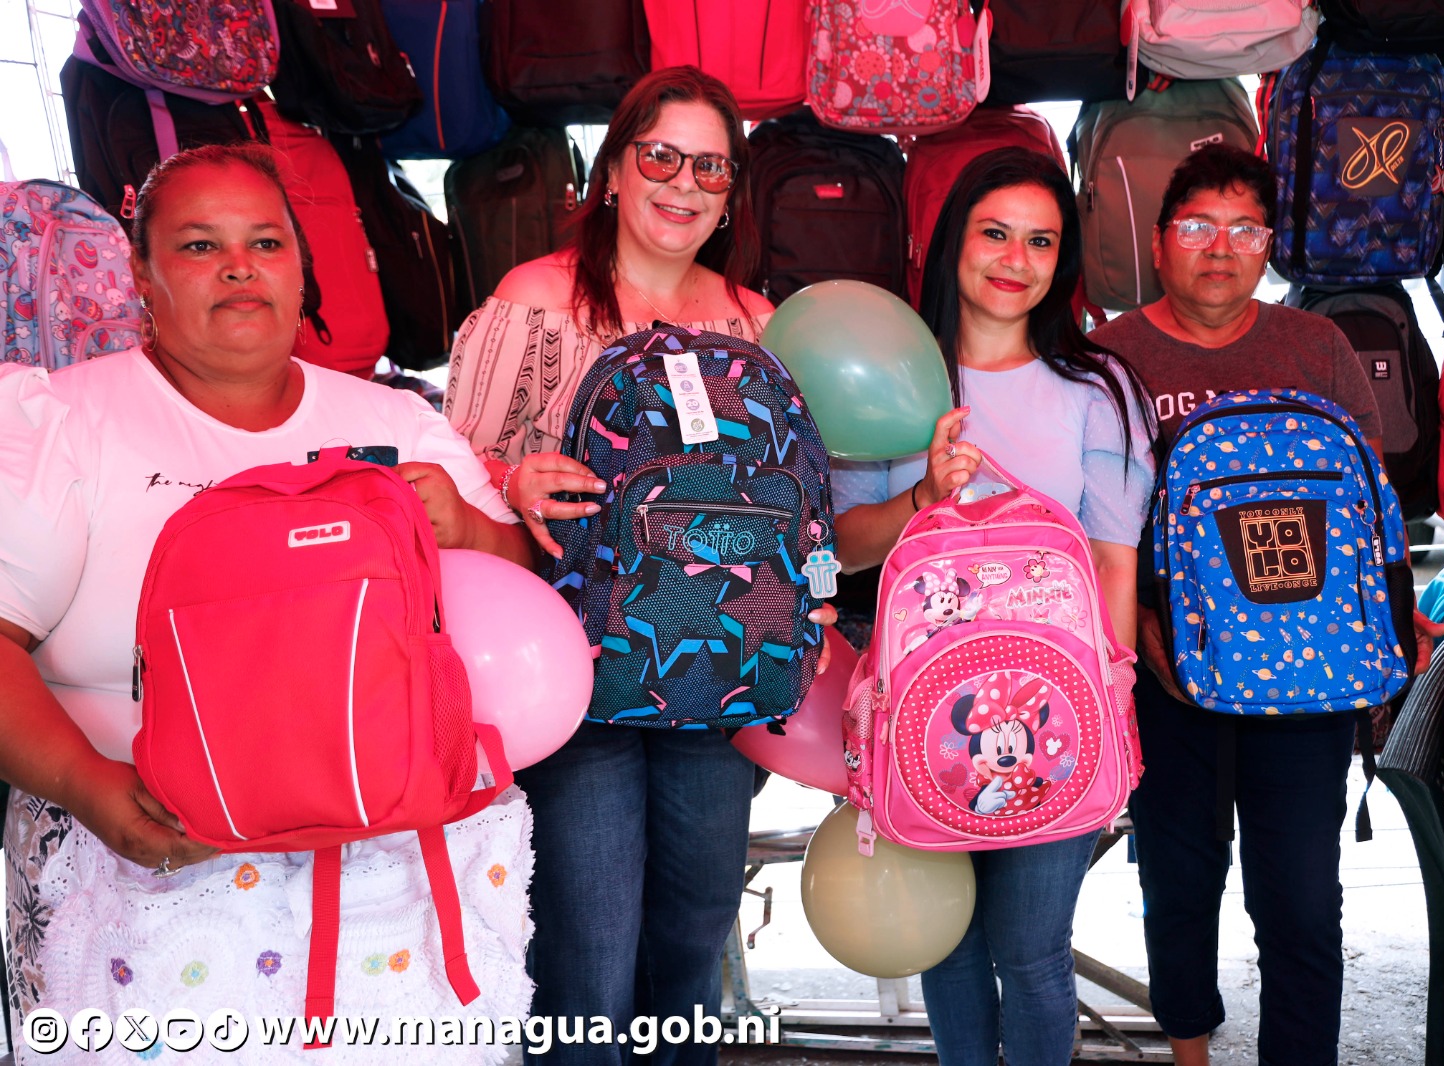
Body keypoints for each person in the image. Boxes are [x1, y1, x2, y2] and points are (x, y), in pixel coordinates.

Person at [0, 144, 536, 1064]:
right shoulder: (61, 421)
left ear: (302, 268)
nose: (241, 266)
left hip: (392, 882)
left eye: (267, 242)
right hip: (159, 868)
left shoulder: (393, 421)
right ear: (141, 272)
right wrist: (90, 792)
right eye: (200, 246)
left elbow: (516, 604)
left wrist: (471, 531)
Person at [445, 66, 836, 1066]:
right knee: (589, 954)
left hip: (720, 675)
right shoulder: (535, 304)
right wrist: (509, 478)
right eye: (659, 154)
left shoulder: (759, 321)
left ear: (731, 188)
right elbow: (448, 488)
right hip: (575, 680)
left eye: (709, 164)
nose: (682, 181)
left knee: (691, 944)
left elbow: (794, 502)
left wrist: (812, 596)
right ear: (614, 170)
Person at [1089, 142, 1444, 1066]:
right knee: (1177, 880)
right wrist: (1131, 647)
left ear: (1268, 246)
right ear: (1160, 244)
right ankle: (1191, 1051)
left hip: (1310, 680)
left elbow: (1370, 513)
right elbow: (1090, 524)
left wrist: (1388, 645)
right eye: (1198, 227)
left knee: (1300, 897)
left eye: (1244, 228)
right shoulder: (1111, 355)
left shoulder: (1315, 346)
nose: (1221, 248)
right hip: (1172, 676)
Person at [831, 147, 1155, 1066]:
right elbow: (847, 548)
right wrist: (923, 497)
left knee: (1033, 951)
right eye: (996, 233)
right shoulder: (900, 374)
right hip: (922, 717)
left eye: (1042, 241)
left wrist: (1114, 698)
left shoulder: (1100, 389)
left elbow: (1112, 562)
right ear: (955, 243)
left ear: (1064, 260)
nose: (1016, 258)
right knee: (953, 946)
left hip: (1061, 713)